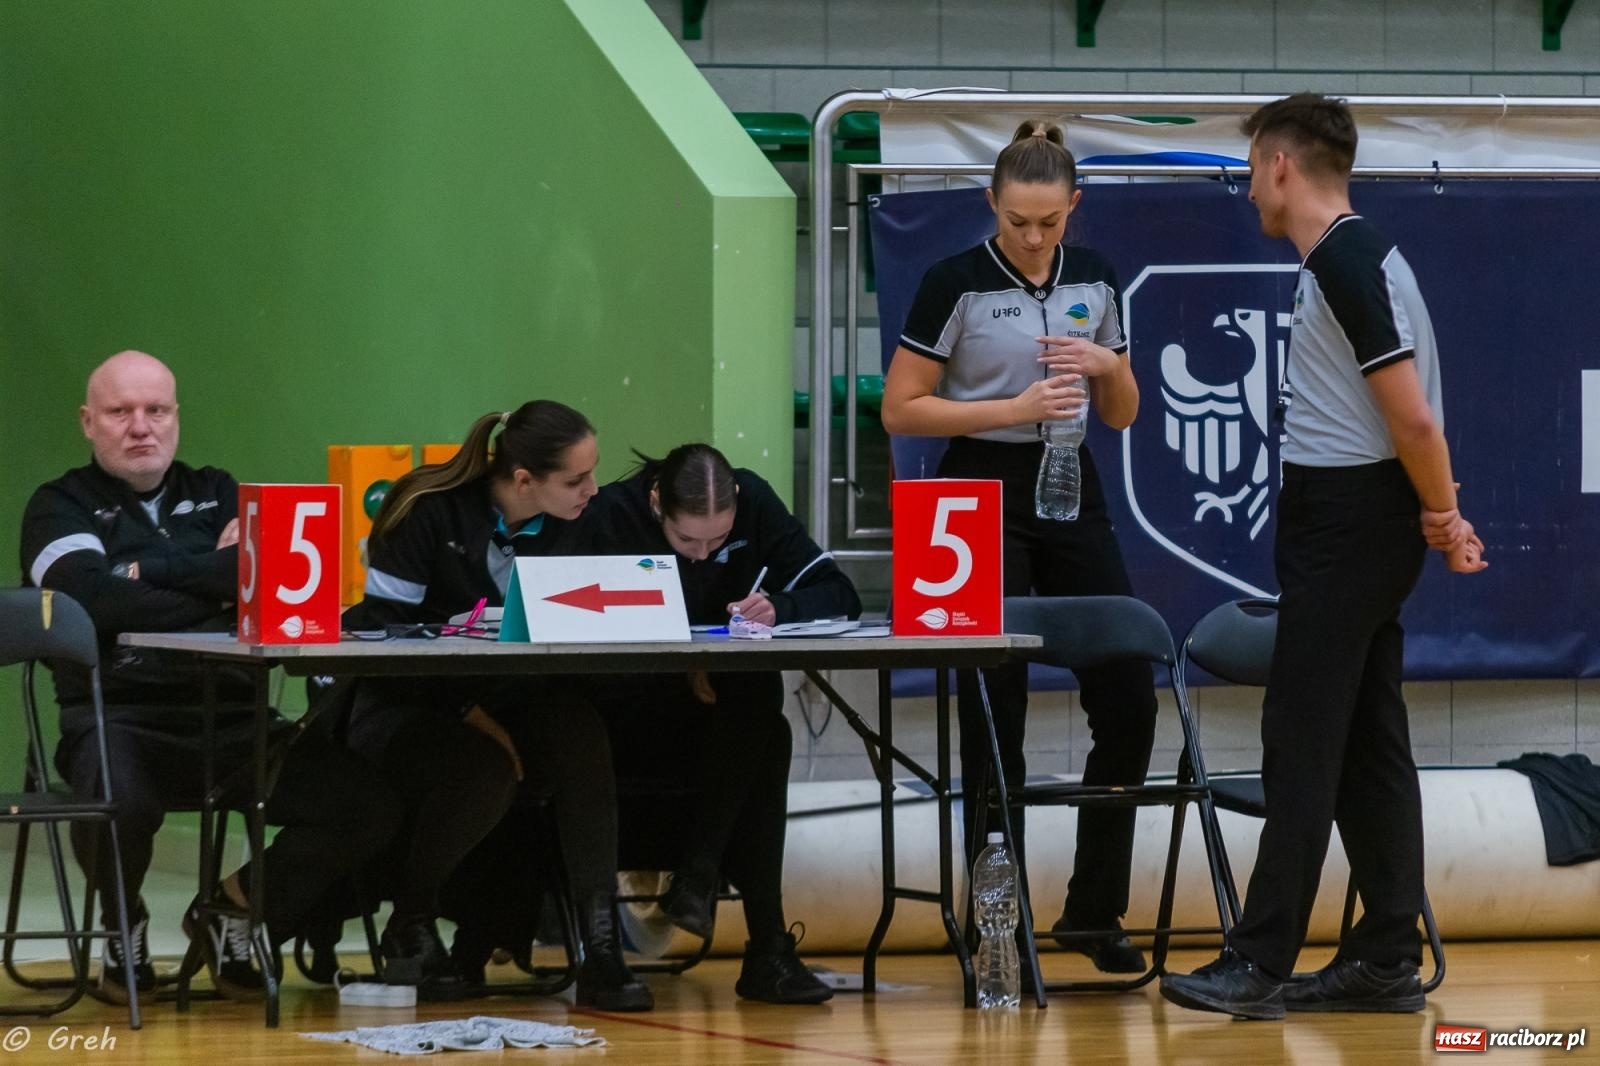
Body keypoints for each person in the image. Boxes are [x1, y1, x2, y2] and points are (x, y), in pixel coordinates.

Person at [1160, 94, 1487, 1021]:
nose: (1249, 187)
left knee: (1300, 741)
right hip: (1354, 523)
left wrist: (1445, 516)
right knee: (1369, 747)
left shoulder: (1344, 261)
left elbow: (1412, 415)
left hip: (1351, 527)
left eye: (1252, 168)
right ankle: (1386, 954)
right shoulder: (1356, 256)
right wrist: (1429, 515)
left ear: (1279, 165)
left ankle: (1259, 960)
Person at [18, 350, 404, 1004]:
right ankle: (123, 924)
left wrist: (145, 571)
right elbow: (91, 600)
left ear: (175, 418)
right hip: (120, 722)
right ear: (89, 421)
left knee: (368, 806)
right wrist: (216, 577)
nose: (141, 426)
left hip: (235, 726)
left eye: (157, 410)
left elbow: (272, 579)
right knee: (119, 798)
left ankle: (235, 907)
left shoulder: (222, 490)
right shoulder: (59, 506)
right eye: (120, 412)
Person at [880, 120, 1157, 975]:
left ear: (1074, 207)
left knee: (1128, 695)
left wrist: (1108, 369)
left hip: (1073, 479)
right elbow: (901, 407)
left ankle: (1092, 910)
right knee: (993, 711)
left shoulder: (1101, 277)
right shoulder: (953, 282)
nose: (1033, 238)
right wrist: (1013, 407)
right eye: (1016, 222)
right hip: (978, 490)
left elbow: (1124, 414)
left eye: (1048, 221)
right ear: (991, 206)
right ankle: (996, 921)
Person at [339, 400, 652, 1010]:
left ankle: (600, 943)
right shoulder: (428, 512)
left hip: (512, 696)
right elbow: (380, 637)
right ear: (523, 480)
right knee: (481, 765)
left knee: (580, 731)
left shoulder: (583, 519)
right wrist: (469, 711)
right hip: (408, 704)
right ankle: (413, 920)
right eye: (576, 479)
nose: (593, 489)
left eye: (593, 473)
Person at [569, 442, 856, 1004]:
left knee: (760, 708)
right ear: (656, 504)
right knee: (762, 726)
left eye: (717, 542)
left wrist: (780, 608)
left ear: (738, 506)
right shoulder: (609, 515)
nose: (701, 555)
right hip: (619, 716)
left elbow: (841, 596)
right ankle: (735, 915)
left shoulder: (755, 505)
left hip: (711, 725)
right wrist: (678, 664)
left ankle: (718, 897)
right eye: (685, 541)